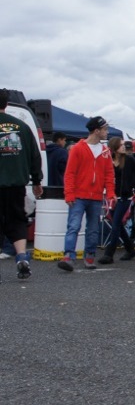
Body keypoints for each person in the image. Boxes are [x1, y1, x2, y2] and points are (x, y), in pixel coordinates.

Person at [58, 116, 115, 272]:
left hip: (95, 196)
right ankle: (69, 256)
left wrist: (110, 193)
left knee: (92, 228)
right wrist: (69, 194)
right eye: (105, 129)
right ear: (97, 131)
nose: (107, 132)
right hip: (79, 195)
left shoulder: (105, 151)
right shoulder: (78, 148)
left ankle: (88, 255)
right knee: (74, 226)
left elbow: (109, 174)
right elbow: (69, 173)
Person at [0, 89, 44, 281]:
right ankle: (21, 257)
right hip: (17, 185)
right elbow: (35, 155)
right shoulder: (23, 127)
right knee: (17, 221)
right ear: (6, 104)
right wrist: (37, 181)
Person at [98, 137, 135, 264]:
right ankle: (130, 249)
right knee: (117, 225)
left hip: (125, 197)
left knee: (116, 223)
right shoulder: (108, 160)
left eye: (124, 144)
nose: (124, 146)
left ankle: (109, 253)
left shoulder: (129, 159)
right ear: (114, 147)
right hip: (111, 196)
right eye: (121, 145)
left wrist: (131, 186)